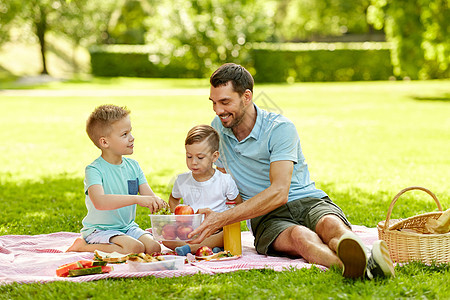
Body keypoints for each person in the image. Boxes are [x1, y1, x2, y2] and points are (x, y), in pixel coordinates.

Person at [189, 63, 395, 279]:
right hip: (266, 216)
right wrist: (211, 222)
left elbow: (280, 192)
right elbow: (227, 187)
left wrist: (222, 218)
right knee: (300, 237)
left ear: (247, 97)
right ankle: (360, 268)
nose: (218, 110)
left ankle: (357, 252)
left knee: (330, 225)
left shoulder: (279, 128)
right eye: (213, 102)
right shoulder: (217, 130)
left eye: (225, 102)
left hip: (307, 200)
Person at [67, 104, 167, 255]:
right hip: (100, 230)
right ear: (105, 142)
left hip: (127, 227)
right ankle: (82, 246)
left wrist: (160, 204)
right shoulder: (94, 170)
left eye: (130, 132)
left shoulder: (133, 166)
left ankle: (125, 241)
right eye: (124, 134)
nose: (132, 138)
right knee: (134, 248)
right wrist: (136, 199)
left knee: (154, 248)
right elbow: (100, 202)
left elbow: (149, 196)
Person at [164, 124, 242, 255]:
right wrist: (178, 220)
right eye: (189, 156)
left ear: (214, 156)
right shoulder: (182, 180)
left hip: (216, 230)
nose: (193, 162)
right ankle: (211, 247)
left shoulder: (225, 180)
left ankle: (192, 249)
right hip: (190, 231)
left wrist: (223, 218)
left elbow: (238, 205)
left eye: (200, 157)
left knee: (227, 233)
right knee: (166, 238)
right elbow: (173, 199)